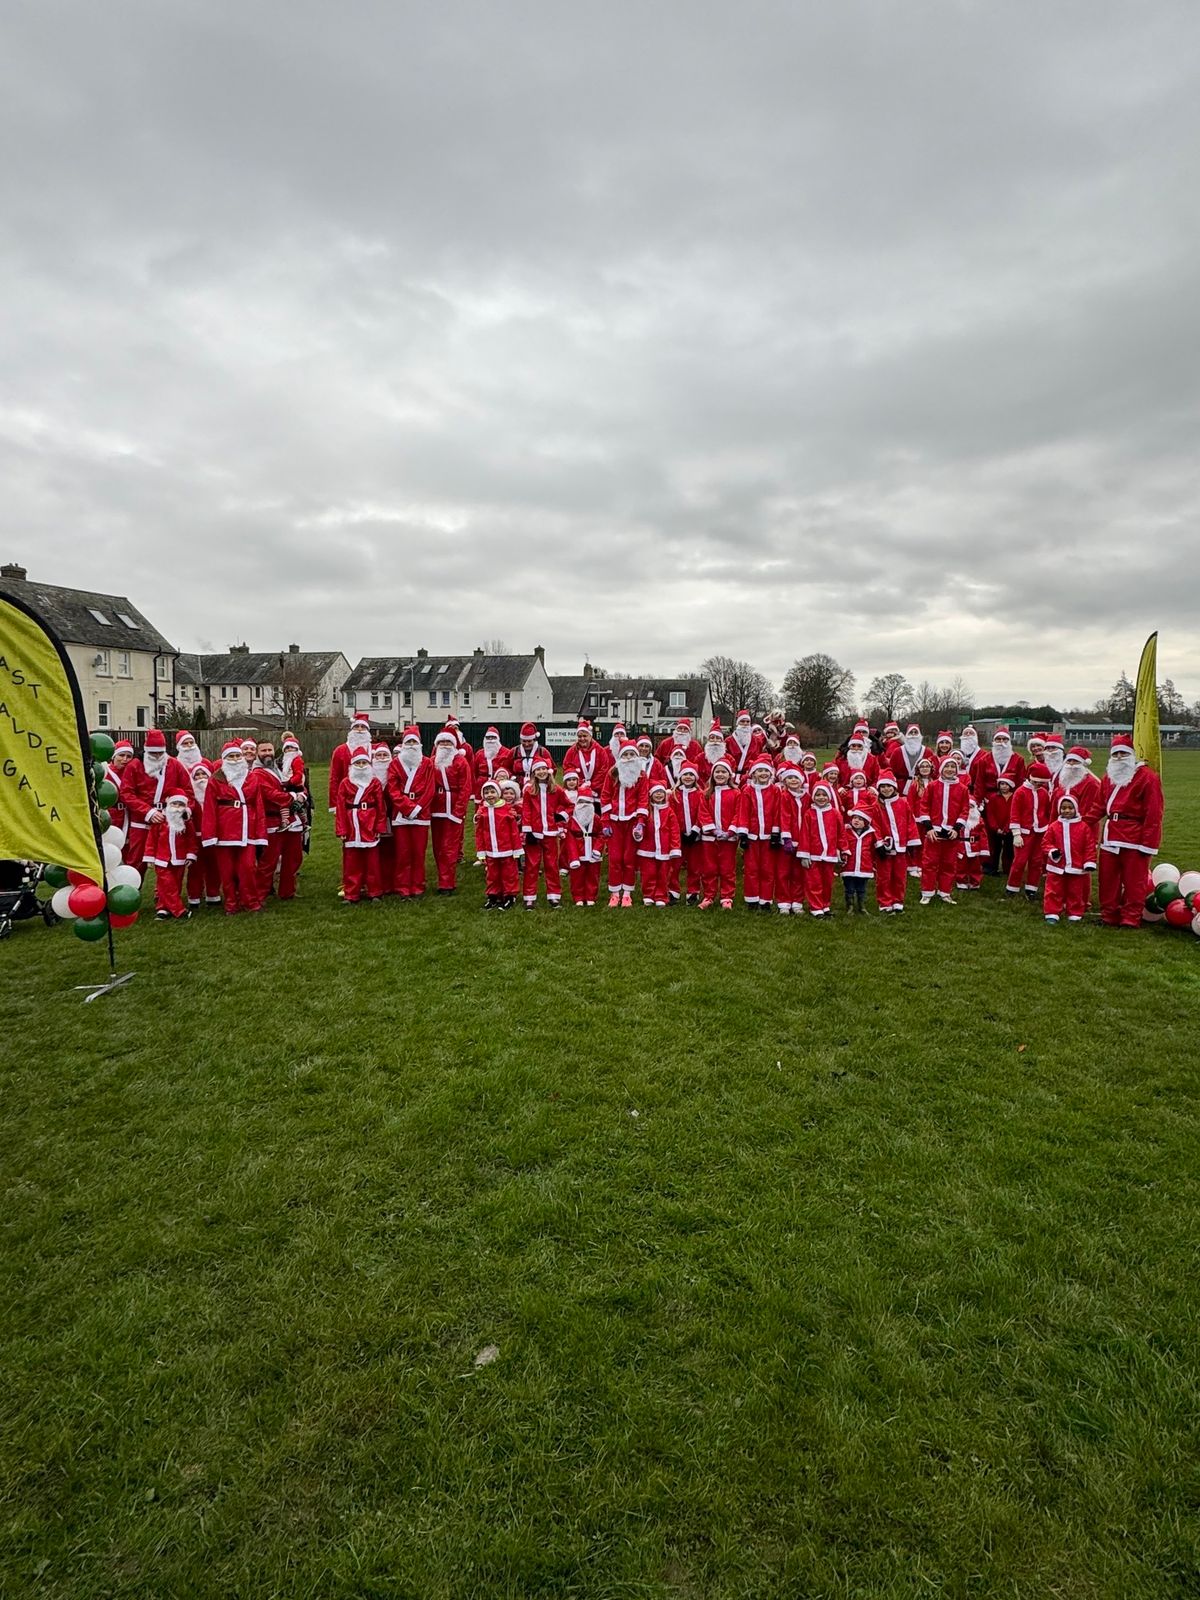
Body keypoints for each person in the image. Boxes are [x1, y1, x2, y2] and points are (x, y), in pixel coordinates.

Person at [1097, 733, 1164, 929]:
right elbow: (1099, 806)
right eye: (1115, 754)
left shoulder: (1148, 778)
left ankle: (1130, 917)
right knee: (1107, 879)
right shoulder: (1108, 778)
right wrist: (1079, 821)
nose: (1118, 758)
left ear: (1132, 755)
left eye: (1123, 754)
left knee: (1135, 881)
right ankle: (1109, 915)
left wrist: (1148, 843)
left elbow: (1154, 813)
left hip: (1134, 837)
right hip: (1111, 836)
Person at [201, 741, 268, 915]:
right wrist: (210, 835)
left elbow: (259, 805)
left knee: (247, 868)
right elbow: (209, 808)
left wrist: (261, 833)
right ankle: (231, 903)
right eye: (231, 756)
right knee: (227, 871)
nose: (235, 759)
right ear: (224, 759)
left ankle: (250, 901)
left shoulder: (251, 777)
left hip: (248, 828)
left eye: (237, 755)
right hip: (225, 831)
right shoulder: (216, 779)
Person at [124, 729, 191, 871]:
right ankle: (132, 890)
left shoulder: (175, 765)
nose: (157, 756)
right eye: (153, 753)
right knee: (136, 860)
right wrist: (147, 812)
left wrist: (184, 811)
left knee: (168, 859)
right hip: (142, 819)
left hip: (169, 819)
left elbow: (188, 792)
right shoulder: (135, 766)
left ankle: (163, 892)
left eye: (160, 753)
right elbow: (126, 792)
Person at [387, 728, 435, 898]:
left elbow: (430, 789)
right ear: (403, 744)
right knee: (403, 852)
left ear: (420, 744)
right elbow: (392, 790)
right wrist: (407, 807)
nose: (412, 745)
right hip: (401, 814)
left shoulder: (427, 763)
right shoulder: (394, 764)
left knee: (418, 852)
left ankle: (417, 885)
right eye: (409, 742)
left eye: (414, 742)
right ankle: (402, 886)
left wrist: (417, 809)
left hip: (421, 814)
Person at [335, 749, 388, 903]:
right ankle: (351, 893)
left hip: (370, 823)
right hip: (352, 824)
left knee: (372, 862)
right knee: (352, 862)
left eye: (364, 762)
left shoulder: (375, 783)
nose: (361, 765)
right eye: (358, 763)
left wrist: (379, 827)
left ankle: (375, 892)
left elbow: (380, 807)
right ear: (352, 765)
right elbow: (340, 807)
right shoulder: (345, 783)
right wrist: (342, 829)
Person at [600, 740, 649, 908]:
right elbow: (605, 796)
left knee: (629, 858)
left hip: (632, 821)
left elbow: (643, 799)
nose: (628, 758)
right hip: (614, 821)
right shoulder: (612, 773)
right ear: (620, 757)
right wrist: (605, 821)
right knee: (615, 858)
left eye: (632, 755)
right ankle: (614, 893)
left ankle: (627, 892)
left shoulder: (641, 776)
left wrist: (640, 822)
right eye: (625, 755)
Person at [919, 756, 969, 905]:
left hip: (952, 833)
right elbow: (924, 806)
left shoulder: (963, 789)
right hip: (934, 831)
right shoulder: (933, 786)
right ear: (941, 769)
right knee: (930, 862)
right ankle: (927, 892)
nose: (950, 770)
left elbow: (964, 810)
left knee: (949, 863)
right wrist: (928, 828)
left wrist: (957, 828)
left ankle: (945, 892)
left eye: (953, 767)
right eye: (947, 767)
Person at [1043, 793, 1098, 924]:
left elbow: (1089, 846)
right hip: (1057, 866)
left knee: (1076, 891)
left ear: (1076, 809)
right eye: (1063, 808)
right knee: (1053, 890)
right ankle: (1052, 912)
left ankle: (1074, 913)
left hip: (1077, 866)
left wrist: (1089, 862)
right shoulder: (1054, 826)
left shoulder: (1083, 827)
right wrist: (1052, 851)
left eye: (1070, 808)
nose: (1067, 811)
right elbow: (1045, 842)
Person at [520, 756, 566, 908]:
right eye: (538, 769)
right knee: (531, 866)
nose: (541, 772)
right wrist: (528, 830)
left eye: (543, 769)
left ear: (549, 771)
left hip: (551, 834)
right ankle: (529, 896)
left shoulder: (557, 789)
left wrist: (560, 816)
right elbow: (526, 810)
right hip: (535, 832)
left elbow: (569, 805)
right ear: (534, 773)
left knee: (551, 865)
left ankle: (554, 895)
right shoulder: (529, 790)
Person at [429, 729, 471, 895]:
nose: (444, 745)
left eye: (448, 742)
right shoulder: (432, 762)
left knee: (450, 847)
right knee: (438, 846)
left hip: (453, 809)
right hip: (436, 809)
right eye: (441, 742)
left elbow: (465, 788)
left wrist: (458, 811)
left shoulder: (460, 762)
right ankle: (442, 877)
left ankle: (447, 882)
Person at [735, 755, 779, 911]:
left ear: (770, 773)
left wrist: (775, 833)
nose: (763, 774)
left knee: (767, 869)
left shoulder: (775, 790)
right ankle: (752, 899)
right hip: (752, 836)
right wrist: (743, 834)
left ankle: (765, 900)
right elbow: (743, 812)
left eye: (765, 771)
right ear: (753, 774)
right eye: (759, 771)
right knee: (752, 869)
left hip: (768, 836)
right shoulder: (747, 790)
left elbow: (776, 812)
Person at [145, 791, 198, 920]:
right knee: (167, 884)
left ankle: (163, 908)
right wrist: (149, 856)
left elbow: (191, 840)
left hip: (179, 859)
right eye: (174, 804)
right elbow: (151, 840)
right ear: (168, 803)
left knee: (175, 884)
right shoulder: (160, 821)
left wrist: (191, 855)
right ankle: (180, 911)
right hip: (162, 859)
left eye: (180, 805)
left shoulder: (187, 822)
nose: (177, 807)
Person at [873, 770, 920, 913]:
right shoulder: (877, 806)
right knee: (884, 877)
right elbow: (875, 826)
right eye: (882, 787)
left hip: (901, 848)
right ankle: (885, 902)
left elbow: (910, 823)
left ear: (894, 787)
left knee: (900, 876)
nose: (886, 789)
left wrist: (912, 842)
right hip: (885, 849)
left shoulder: (903, 803)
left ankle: (898, 901)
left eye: (889, 786)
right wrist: (879, 843)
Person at [1006, 761, 1052, 900]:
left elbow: (1047, 812)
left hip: (1040, 832)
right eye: (1036, 781)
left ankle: (1031, 888)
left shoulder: (1043, 793)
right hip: (1024, 832)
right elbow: (1014, 813)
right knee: (1019, 861)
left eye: (1041, 782)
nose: (1038, 785)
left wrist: (1048, 829)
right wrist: (1016, 834)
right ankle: (1012, 887)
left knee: (1037, 861)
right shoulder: (1020, 792)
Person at [797, 782, 843, 918]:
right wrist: (804, 854)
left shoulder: (835, 813)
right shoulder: (809, 814)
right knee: (814, 882)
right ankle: (816, 907)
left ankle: (825, 905)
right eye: (818, 795)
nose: (821, 798)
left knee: (827, 882)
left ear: (829, 797)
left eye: (824, 795)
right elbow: (804, 834)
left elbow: (841, 834)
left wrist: (843, 849)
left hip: (829, 854)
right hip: (814, 855)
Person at [476, 778, 521, 909]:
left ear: (498, 793)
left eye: (492, 792)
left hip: (507, 849)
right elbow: (479, 833)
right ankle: (493, 896)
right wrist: (481, 851)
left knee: (509, 874)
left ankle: (509, 896)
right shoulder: (482, 812)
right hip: (490, 850)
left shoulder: (507, 810)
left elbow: (514, 832)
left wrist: (516, 849)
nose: (490, 795)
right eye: (487, 793)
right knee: (492, 874)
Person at [670, 762, 711, 905]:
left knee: (695, 866)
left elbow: (702, 813)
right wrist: (679, 832)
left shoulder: (701, 794)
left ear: (696, 777)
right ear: (680, 776)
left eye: (691, 775)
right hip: (678, 837)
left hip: (695, 837)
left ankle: (692, 893)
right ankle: (673, 892)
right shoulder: (674, 794)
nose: (688, 777)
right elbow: (672, 815)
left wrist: (695, 830)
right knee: (674, 866)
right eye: (685, 774)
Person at [703, 756, 739, 910]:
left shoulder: (736, 793)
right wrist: (712, 829)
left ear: (729, 775)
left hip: (728, 838)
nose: (720, 775)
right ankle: (709, 895)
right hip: (709, 838)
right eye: (717, 772)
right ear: (712, 775)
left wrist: (730, 831)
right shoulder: (706, 794)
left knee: (727, 868)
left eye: (723, 772)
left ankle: (727, 896)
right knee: (709, 868)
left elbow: (739, 813)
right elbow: (702, 813)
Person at [638, 780, 682, 907]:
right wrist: (638, 834)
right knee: (648, 873)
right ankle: (648, 894)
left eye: (661, 793)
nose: (658, 795)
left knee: (663, 874)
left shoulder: (669, 812)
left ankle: (661, 895)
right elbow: (641, 827)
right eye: (656, 793)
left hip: (664, 849)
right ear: (650, 794)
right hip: (647, 848)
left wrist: (675, 848)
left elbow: (674, 831)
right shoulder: (646, 811)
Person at [562, 781, 603, 907]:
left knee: (593, 875)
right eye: (581, 802)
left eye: (587, 803)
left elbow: (601, 834)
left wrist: (598, 849)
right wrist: (573, 858)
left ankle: (591, 896)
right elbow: (570, 839)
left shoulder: (596, 818)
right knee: (577, 876)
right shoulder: (572, 819)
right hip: (579, 852)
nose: (584, 806)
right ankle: (578, 896)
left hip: (592, 851)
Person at [774, 766, 808, 915]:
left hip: (803, 842)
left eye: (796, 778)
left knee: (799, 873)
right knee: (783, 872)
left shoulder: (807, 797)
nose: (793, 780)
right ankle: (784, 902)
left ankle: (797, 901)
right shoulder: (784, 796)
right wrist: (786, 838)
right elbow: (784, 816)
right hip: (787, 842)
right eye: (790, 778)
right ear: (785, 781)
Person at [328, 711, 372, 810]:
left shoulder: (374, 751)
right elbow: (334, 778)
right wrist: (335, 804)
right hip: (347, 799)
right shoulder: (340, 751)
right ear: (351, 729)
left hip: (370, 801)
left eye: (363, 727)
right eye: (356, 727)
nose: (360, 730)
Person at [840, 806, 877, 914]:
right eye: (855, 817)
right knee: (849, 887)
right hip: (849, 865)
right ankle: (850, 906)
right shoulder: (846, 831)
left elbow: (872, 849)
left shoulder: (870, 834)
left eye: (860, 819)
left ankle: (862, 906)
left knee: (861, 888)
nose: (856, 820)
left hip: (864, 866)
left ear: (866, 822)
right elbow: (842, 843)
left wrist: (873, 863)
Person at [1056, 745, 1103, 824]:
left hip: (1082, 826)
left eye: (1075, 761)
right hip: (1061, 825)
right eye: (1069, 760)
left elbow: (1088, 810)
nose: (1071, 764)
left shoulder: (1091, 783)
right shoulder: (1063, 780)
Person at [562, 719, 612, 790]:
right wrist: (581, 783)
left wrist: (593, 785)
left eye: (585, 736)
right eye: (579, 736)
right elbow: (567, 768)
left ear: (590, 736)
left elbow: (604, 769)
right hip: (577, 789)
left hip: (597, 790)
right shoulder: (572, 751)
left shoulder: (600, 751)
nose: (582, 738)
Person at [984, 774, 1017, 878]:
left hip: (1009, 829)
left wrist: (1007, 827)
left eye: (1006, 784)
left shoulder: (1015, 797)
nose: (1004, 786)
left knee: (1009, 850)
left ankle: (1008, 869)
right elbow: (990, 814)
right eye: (1002, 784)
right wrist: (995, 827)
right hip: (995, 829)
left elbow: (1014, 813)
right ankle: (993, 868)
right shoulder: (993, 797)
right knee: (994, 849)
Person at [725, 710, 765, 782]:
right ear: (738, 723)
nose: (745, 724)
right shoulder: (728, 741)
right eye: (742, 721)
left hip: (750, 776)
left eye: (747, 722)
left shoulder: (757, 741)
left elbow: (760, 758)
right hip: (732, 776)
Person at [510, 722, 554, 787]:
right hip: (517, 785)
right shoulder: (514, 751)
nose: (526, 744)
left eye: (529, 741)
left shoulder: (542, 751)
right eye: (524, 741)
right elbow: (506, 767)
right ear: (520, 740)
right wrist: (512, 777)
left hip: (537, 785)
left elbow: (552, 768)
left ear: (534, 740)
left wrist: (546, 780)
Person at [473, 726, 510, 797]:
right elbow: (475, 772)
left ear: (498, 739)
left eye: (493, 737)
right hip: (481, 785)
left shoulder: (506, 753)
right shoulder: (479, 754)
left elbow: (510, 769)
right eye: (488, 737)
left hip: (500, 784)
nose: (490, 740)